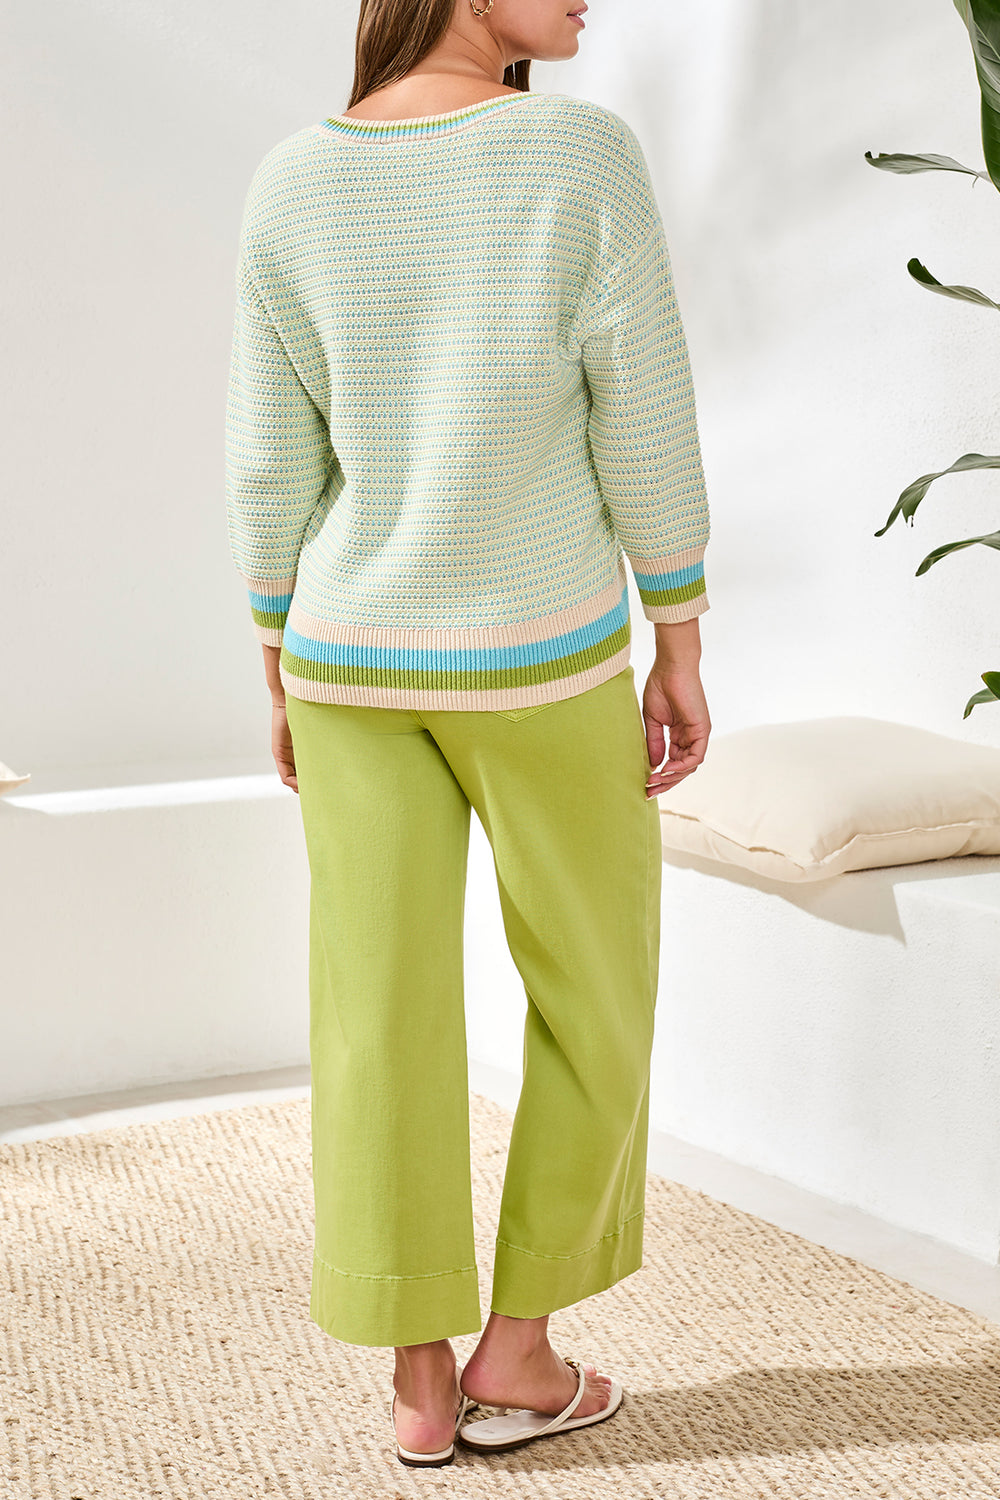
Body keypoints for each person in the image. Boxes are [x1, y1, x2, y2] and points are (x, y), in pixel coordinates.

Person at [225, 0, 712, 1469]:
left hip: (346, 660)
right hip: (542, 659)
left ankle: (421, 1380)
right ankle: (522, 1350)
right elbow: (644, 411)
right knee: (596, 992)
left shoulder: (292, 178)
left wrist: (276, 658)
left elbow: (271, 454)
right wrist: (679, 634)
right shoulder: (577, 154)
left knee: (375, 1013)